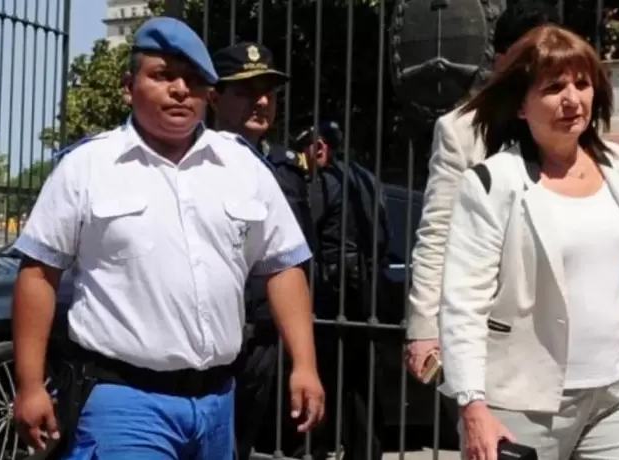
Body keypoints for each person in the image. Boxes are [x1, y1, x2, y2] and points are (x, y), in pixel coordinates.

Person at [10, 17, 324, 460]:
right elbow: (38, 274)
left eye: (194, 80)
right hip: (124, 402)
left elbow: (282, 267)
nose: (180, 89)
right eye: (163, 76)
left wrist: (305, 365)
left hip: (217, 404)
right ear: (128, 86)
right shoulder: (87, 167)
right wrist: (29, 384)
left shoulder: (242, 167)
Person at [438, 25, 619, 460]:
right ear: (521, 107)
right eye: (553, 87)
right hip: (521, 403)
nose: (572, 99)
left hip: (617, 396)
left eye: (582, 84)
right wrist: (473, 405)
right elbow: (463, 302)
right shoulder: (492, 183)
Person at [405, 0, 562, 382]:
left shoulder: (576, 126)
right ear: (501, 59)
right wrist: (424, 326)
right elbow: (437, 231)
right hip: (495, 328)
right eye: (527, 58)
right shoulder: (462, 131)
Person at [207, 41, 314, 460]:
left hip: (265, 337)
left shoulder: (285, 165)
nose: (263, 101)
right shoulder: (197, 162)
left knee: (242, 444)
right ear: (214, 96)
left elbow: (296, 255)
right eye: (248, 91)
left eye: (269, 91)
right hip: (214, 335)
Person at [293, 122, 386, 460]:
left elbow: (303, 229)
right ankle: (365, 449)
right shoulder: (365, 178)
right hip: (367, 287)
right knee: (360, 377)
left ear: (320, 148)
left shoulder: (327, 181)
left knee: (328, 371)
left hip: (334, 289)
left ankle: (317, 446)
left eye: (306, 149)